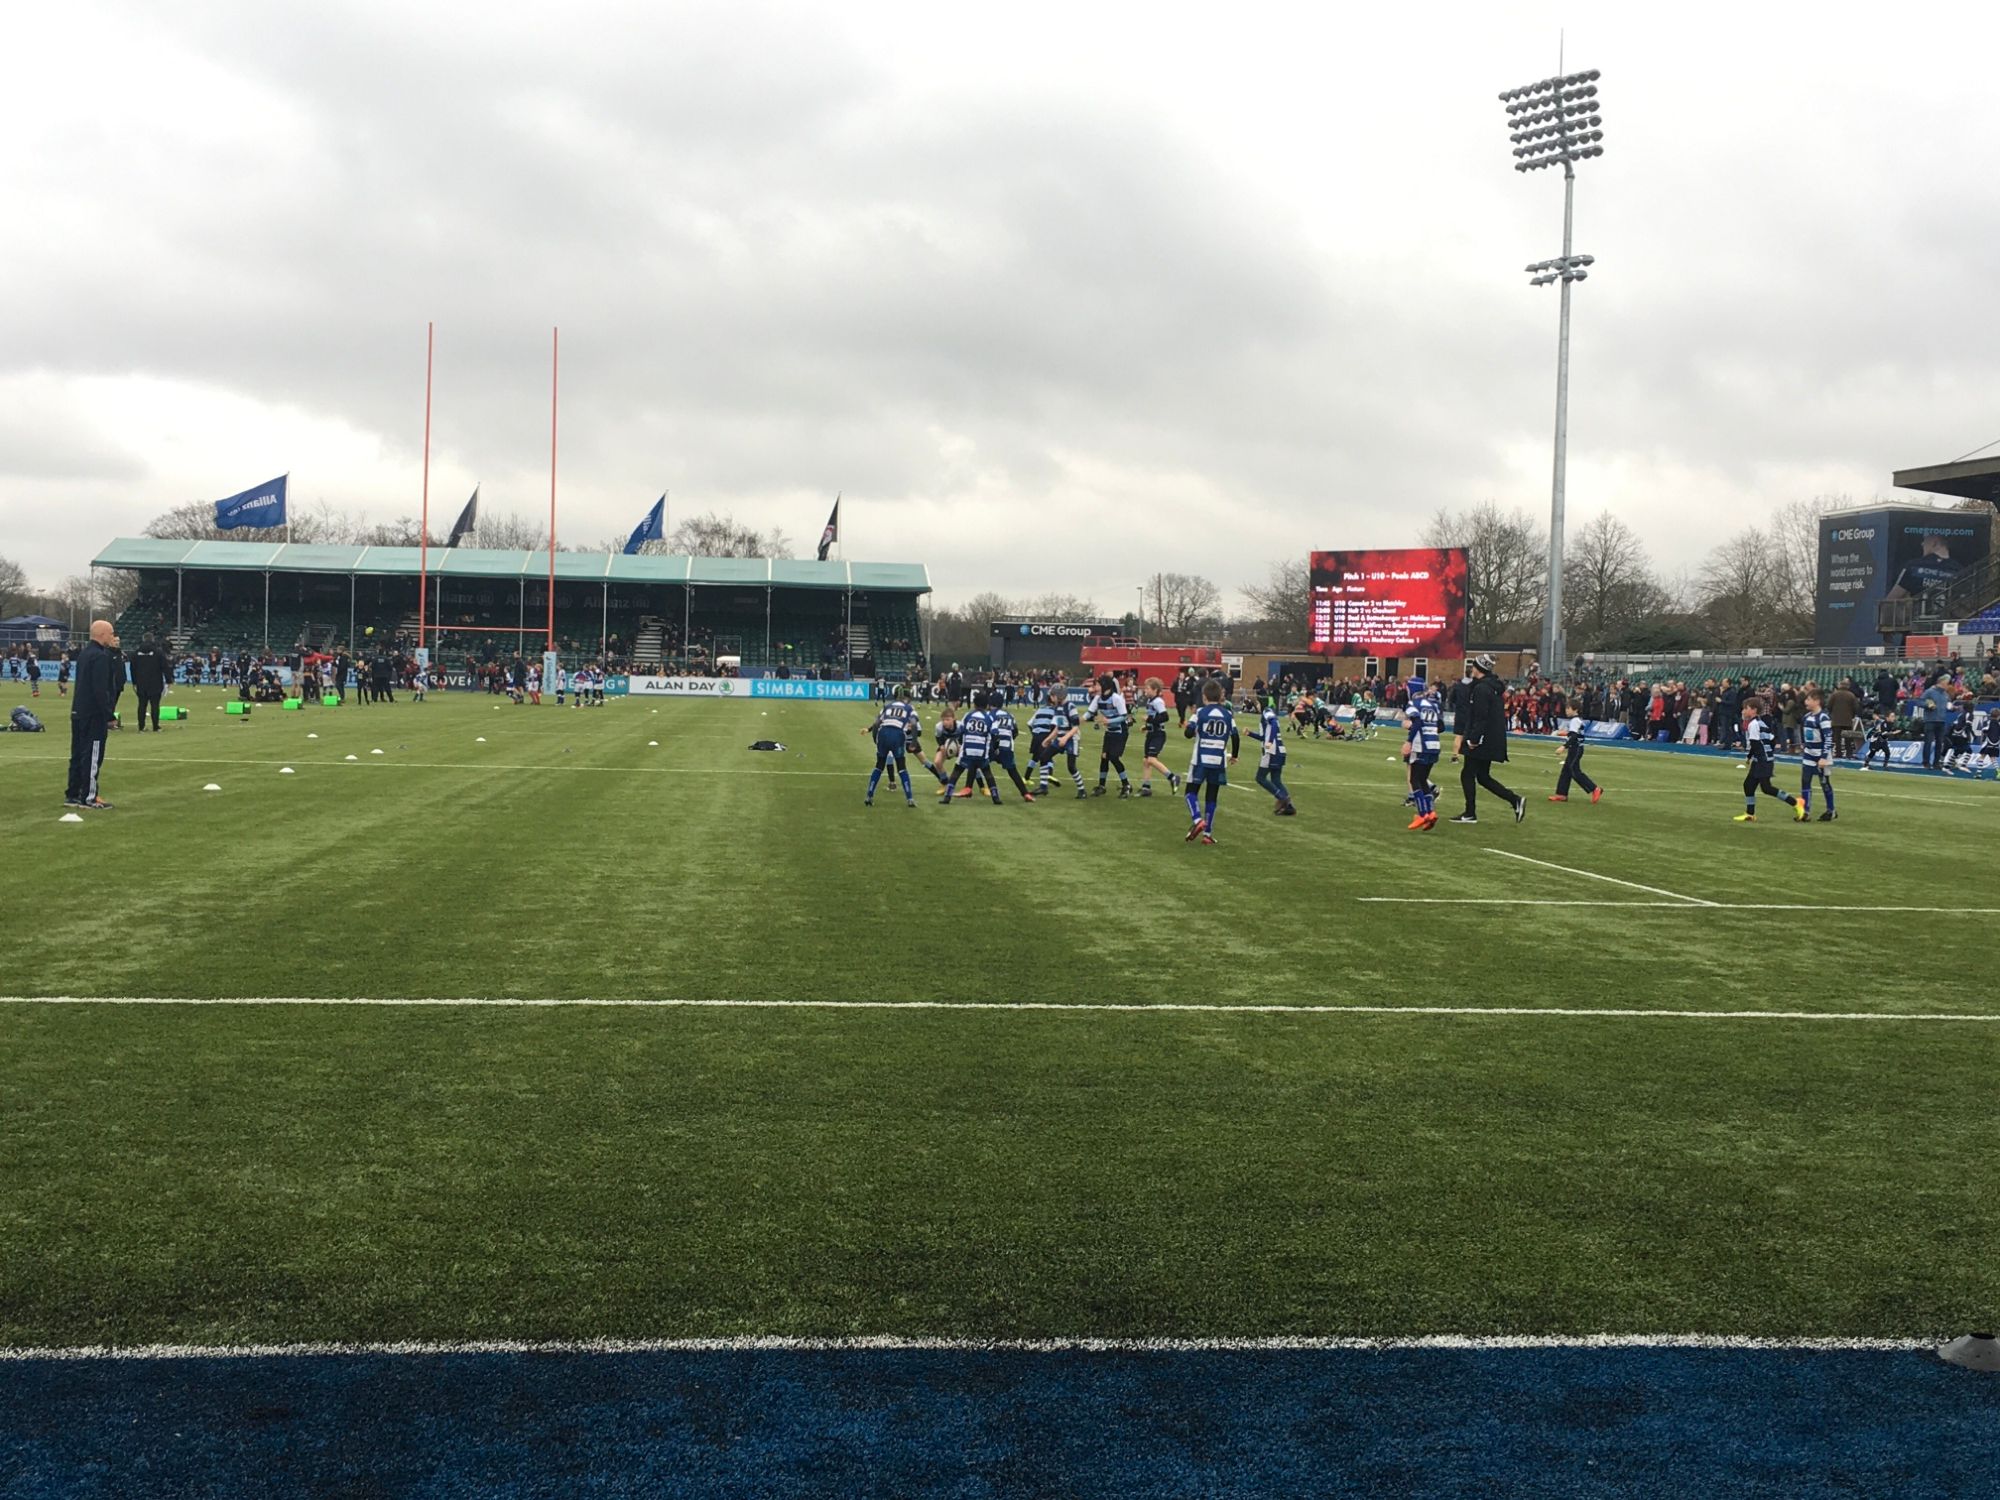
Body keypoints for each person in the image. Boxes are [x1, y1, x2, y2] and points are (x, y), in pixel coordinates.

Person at [1451, 654, 1524, 826]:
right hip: (1491, 737)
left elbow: (1481, 716)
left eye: (1474, 666)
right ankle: (1514, 800)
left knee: (1468, 773)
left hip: (1482, 738)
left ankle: (1470, 813)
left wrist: (1474, 738)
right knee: (1482, 776)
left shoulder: (1481, 689)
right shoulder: (1491, 687)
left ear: (1479, 668)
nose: (1472, 668)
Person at [64, 620, 119, 810]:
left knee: (78, 753)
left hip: (78, 710)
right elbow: (100, 690)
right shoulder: (100, 657)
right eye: (111, 633)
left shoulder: (84, 654)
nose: (113, 637)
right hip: (93, 713)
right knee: (93, 754)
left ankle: (73, 793)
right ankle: (89, 796)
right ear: (103, 634)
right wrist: (109, 715)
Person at [1182, 677, 1238, 845]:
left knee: (1190, 792)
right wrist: (1234, 755)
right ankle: (1207, 834)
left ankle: (1197, 819)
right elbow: (1235, 736)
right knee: (1212, 797)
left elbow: (1188, 734)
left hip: (1200, 759)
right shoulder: (1228, 714)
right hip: (1218, 761)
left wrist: (1189, 727)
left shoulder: (1199, 713)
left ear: (1204, 697)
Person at [1735, 701, 1807, 823]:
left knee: (1766, 788)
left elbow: (1755, 744)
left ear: (1753, 710)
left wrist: (1756, 757)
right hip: (1764, 759)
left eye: (1745, 708)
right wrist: (1762, 755)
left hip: (1762, 761)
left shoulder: (1753, 724)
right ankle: (1750, 814)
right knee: (1748, 785)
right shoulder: (1761, 722)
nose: (1743, 711)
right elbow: (1772, 740)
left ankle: (1796, 803)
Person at [941, 691, 1001, 805]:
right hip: (981, 752)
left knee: (957, 771)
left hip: (967, 750)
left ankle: (947, 796)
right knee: (987, 773)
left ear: (974, 704)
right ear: (987, 704)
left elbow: (961, 731)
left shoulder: (968, 715)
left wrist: (958, 744)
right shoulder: (989, 717)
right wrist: (995, 749)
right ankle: (995, 796)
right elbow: (996, 736)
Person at [864, 685, 920, 807]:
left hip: (883, 734)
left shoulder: (887, 706)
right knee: (901, 767)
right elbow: (914, 724)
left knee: (879, 766)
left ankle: (869, 795)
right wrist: (914, 742)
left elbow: (876, 723)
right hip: (897, 735)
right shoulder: (909, 708)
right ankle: (909, 798)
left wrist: (875, 739)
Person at [1401, 676, 1442, 831]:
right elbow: (1441, 725)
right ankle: (1430, 812)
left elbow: (1417, 722)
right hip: (1434, 745)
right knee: (1423, 779)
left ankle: (1423, 813)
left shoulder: (1413, 704)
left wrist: (1409, 741)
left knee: (1414, 779)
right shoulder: (1433, 705)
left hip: (1421, 746)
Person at [1084, 674, 1133, 798]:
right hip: (1110, 732)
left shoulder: (1116, 698)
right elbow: (1089, 713)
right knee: (1104, 757)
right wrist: (1078, 720)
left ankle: (1126, 784)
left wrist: (1108, 721)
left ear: (1105, 686)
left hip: (1120, 732)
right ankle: (1101, 786)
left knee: (1113, 757)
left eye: (1097, 685)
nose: (1095, 687)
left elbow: (1124, 716)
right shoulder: (1097, 698)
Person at [1136, 677, 1181, 797]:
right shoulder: (1150, 701)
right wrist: (1147, 726)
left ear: (1155, 690)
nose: (1145, 690)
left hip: (1158, 734)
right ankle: (1146, 787)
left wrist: (1149, 719)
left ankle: (1172, 777)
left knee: (1151, 759)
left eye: (1147, 688)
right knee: (1146, 761)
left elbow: (1164, 717)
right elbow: (1155, 718)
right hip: (1151, 733)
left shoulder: (1158, 701)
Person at [987, 689, 1034, 801]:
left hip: (993, 745)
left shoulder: (990, 715)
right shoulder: (1009, 715)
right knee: (1013, 771)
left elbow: (989, 731)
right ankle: (1025, 793)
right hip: (1007, 747)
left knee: (981, 766)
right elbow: (1015, 731)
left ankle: (986, 789)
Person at [1252, 695, 1295, 816]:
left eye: (1258, 704)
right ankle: (1289, 807)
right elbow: (1263, 737)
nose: (1257, 706)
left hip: (1272, 751)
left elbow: (1274, 723)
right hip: (1280, 750)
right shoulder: (1267, 715)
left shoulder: (1267, 712)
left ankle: (1282, 798)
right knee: (1276, 780)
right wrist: (1250, 733)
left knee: (1260, 778)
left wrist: (1270, 741)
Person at [1549, 705, 1602, 804]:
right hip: (1575, 748)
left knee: (1574, 771)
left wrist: (1564, 746)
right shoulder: (1576, 720)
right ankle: (1561, 794)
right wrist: (1565, 733)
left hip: (1576, 748)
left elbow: (1574, 736)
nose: (1566, 711)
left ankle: (1594, 788)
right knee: (1566, 771)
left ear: (1575, 710)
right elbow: (1576, 734)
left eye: (1568, 708)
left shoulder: (1575, 720)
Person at [1799, 689, 1837, 821]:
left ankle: (1831, 810)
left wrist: (1824, 757)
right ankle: (1805, 812)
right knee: (1805, 781)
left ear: (1817, 701)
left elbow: (1828, 739)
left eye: (1809, 699)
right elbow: (1804, 732)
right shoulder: (1806, 717)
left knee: (1824, 783)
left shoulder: (1823, 718)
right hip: (1809, 754)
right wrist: (1804, 743)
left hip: (1821, 755)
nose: (1806, 702)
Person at [130, 637, 167, 731]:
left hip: (141, 683)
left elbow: (132, 669)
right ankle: (155, 726)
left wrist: (134, 682)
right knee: (155, 705)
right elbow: (165, 667)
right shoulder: (158, 653)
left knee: (142, 705)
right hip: (156, 682)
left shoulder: (136, 653)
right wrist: (168, 680)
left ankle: (141, 727)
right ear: (153, 640)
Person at [1917, 674, 1951, 769]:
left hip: (1941, 720)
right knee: (1928, 741)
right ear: (1942, 682)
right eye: (1947, 683)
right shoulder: (1930, 692)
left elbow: (1947, 705)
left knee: (1940, 743)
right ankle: (1926, 762)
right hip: (1930, 720)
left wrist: (1952, 708)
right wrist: (1928, 705)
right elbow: (1919, 702)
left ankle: (1936, 763)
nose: (1948, 685)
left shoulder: (1945, 694)